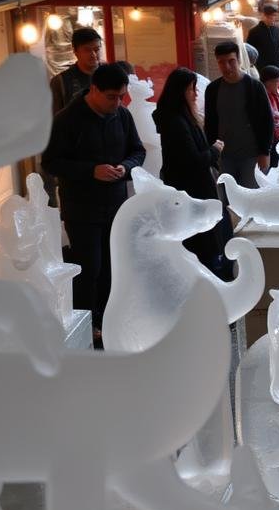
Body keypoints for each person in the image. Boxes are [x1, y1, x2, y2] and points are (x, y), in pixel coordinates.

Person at [42, 63, 145, 338]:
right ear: (94, 90)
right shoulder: (67, 119)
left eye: (121, 96)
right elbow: (51, 162)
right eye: (112, 97)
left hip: (115, 205)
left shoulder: (122, 116)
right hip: (82, 209)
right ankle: (87, 326)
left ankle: (110, 320)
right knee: (90, 269)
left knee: (114, 266)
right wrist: (91, 171)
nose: (117, 102)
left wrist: (126, 167)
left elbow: (138, 151)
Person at [154, 67, 231, 278]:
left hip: (194, 186)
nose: (196, 94)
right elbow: (194, 160)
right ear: (180, 92)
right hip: (191, 189)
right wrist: (215, 149)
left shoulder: (182, 117)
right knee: (202, 241)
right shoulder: (176, 122)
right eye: (192, 89)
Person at [205, 41, 273, 189]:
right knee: (227, 199)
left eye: (231, 61)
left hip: (252, 155)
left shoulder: (254, 87)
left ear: (239, 60)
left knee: (251, 198)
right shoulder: (212, 89)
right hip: (224, 157)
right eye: (221, 62)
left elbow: (267, 121)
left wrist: (265, 152)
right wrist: (212, 152)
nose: (227, 67)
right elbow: (210, 123)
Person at [50, 26, 102, 114]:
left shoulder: (111, 75)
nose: (93, 54)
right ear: (75, 51)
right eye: (87, 50)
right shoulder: (60, 82)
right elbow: (55, 120)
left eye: (97, 49)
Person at [260, 64, 279, 166]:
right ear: (268, 82)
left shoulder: (276, 94)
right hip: (271, 140)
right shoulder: (263, 96)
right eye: (277, 81)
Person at [246, 3, 279, 73]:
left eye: (275, 15)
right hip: (262, 70)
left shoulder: (277, 30)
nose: (274, 18)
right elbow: (249, 53)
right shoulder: (254, 31)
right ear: (265, 16)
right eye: (272, 15)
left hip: (277, 68)